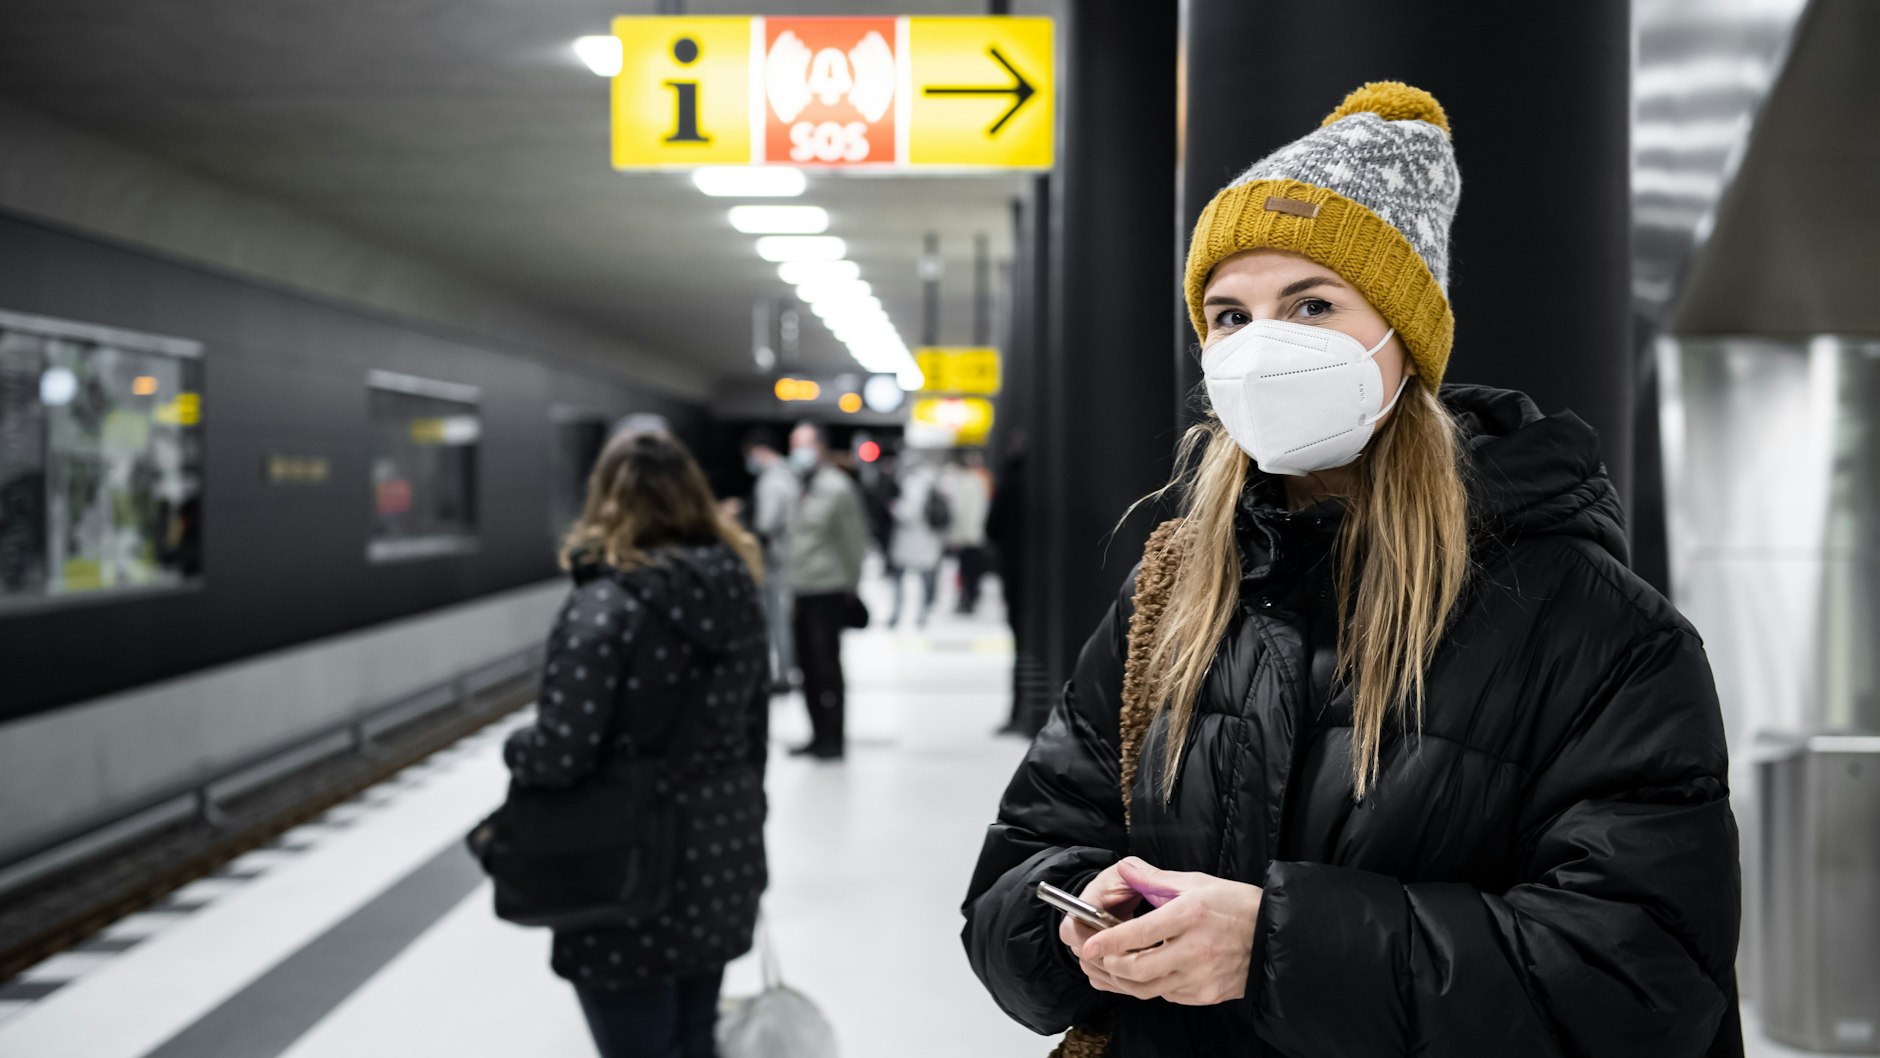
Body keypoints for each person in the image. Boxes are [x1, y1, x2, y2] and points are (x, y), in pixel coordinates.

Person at [961, 82, 1742, 1057]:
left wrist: (1278, 946)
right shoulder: (1173, 591)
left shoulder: (1594, 630)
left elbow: (1644, 974)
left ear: (1401, 337)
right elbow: (1012, 869)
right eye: (1227, 315)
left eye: (1310, 303)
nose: (1260, 346)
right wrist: (1072, 916)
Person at [503, 429, 770, 1058]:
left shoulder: (604, 606)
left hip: (625, 870)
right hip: (722, 855)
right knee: (694, 1037)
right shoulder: (737, 595)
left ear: (605, 501)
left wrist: (518, 748)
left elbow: (561, 752)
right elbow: (754, 729)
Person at [783, 421, 867, 759]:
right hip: (801, 588)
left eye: (802, 445)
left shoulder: (837, 488)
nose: (797, 453)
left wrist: (851, 585)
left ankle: (834, 738)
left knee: (826, 666)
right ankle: (816, 734)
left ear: (819, 447)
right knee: (805, 666)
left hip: (828, 589)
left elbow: (853, 542)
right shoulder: (800, 486)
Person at [743, 429, 799, 695]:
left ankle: (781, 673)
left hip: (776, 560)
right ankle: (786, 669)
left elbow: (766, 524)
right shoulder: (789, 475)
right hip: (790, 556)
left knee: (777, 619)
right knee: (783, 618)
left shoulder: (773, 480)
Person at [887, 453, 945, 628]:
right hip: (928, 542)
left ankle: (898, 613)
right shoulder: (933, 484)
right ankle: (923, 613)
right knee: (925, 581)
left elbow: (908, 513)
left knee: (900, 580)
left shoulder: (913, 485)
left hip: (910, 542)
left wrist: (894, 508)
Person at [939, 452, 993, 614]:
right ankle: (970, 598)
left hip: (966, 536)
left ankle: (967, 600)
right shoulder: (978, 481)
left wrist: (955, 536)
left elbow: (960, 511)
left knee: (966, 570)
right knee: (972, 571)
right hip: (975, 534)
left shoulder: (964, 483)